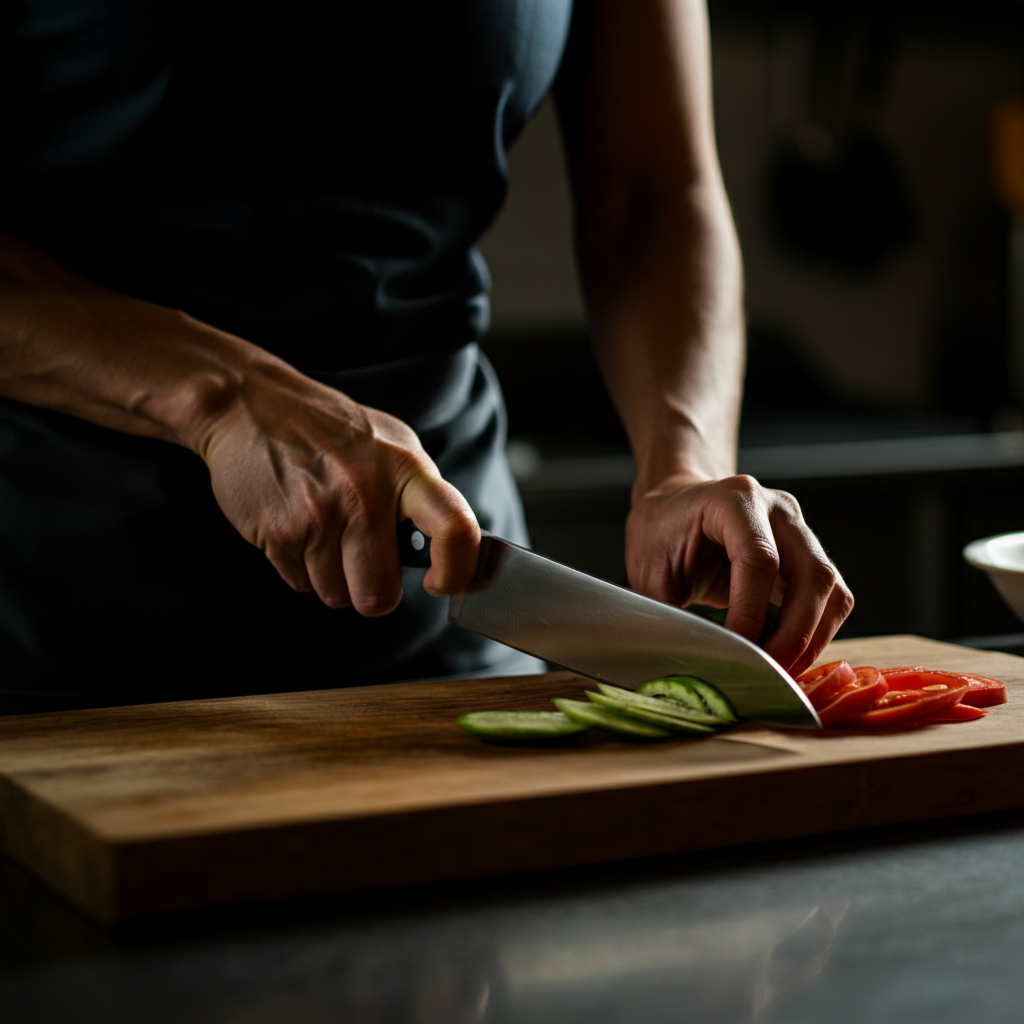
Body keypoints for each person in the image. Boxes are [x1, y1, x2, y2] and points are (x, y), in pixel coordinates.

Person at [0, 0, 852, 714]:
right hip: (54, 640)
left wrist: (682, 462)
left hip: (450, 633)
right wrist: (222, 396)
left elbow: (655, 191)